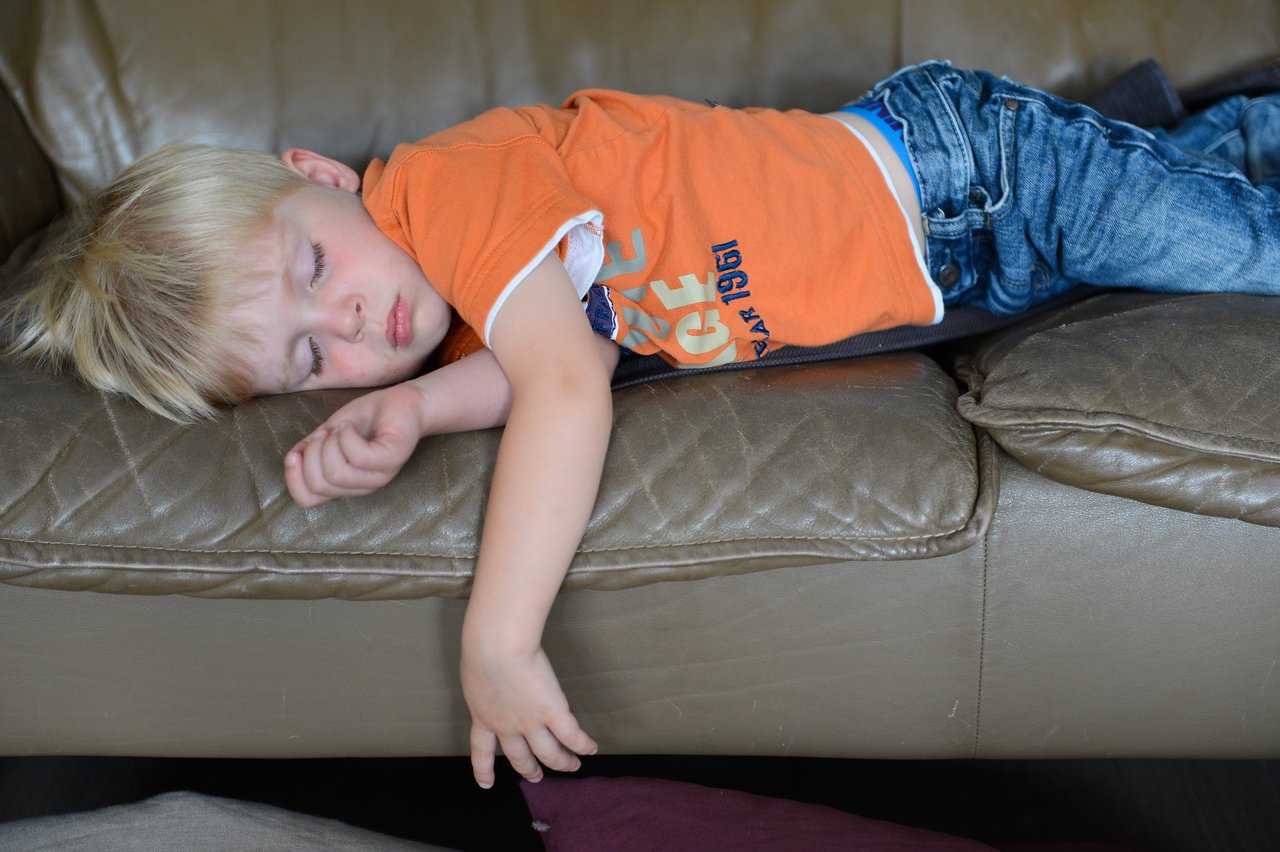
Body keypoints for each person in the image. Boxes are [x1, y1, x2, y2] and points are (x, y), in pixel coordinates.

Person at [5, 61, 1280, 789]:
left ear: (320, 178)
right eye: (306, 357)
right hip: (963, 261)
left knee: (1241, 249)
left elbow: (565, 383)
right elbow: (556, 351)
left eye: (311, 272)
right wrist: (410, 404)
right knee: (1197, 192)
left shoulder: (448, 191)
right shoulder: (447, 303)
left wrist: (495, 642)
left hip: (968, 178)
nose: (350, 325)